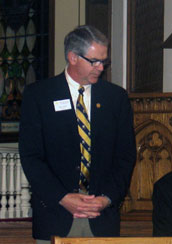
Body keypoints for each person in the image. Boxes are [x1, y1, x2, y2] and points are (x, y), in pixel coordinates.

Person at [19, 25, 136, 243]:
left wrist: (106, 198)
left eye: (104, 61)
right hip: (55, 215)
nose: (101, 68)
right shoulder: (39, 96)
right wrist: (62, 198)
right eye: (94, 61)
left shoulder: (115, 98)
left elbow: (125, 157)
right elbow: (31, 157)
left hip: (101, 217)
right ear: (73, 57)